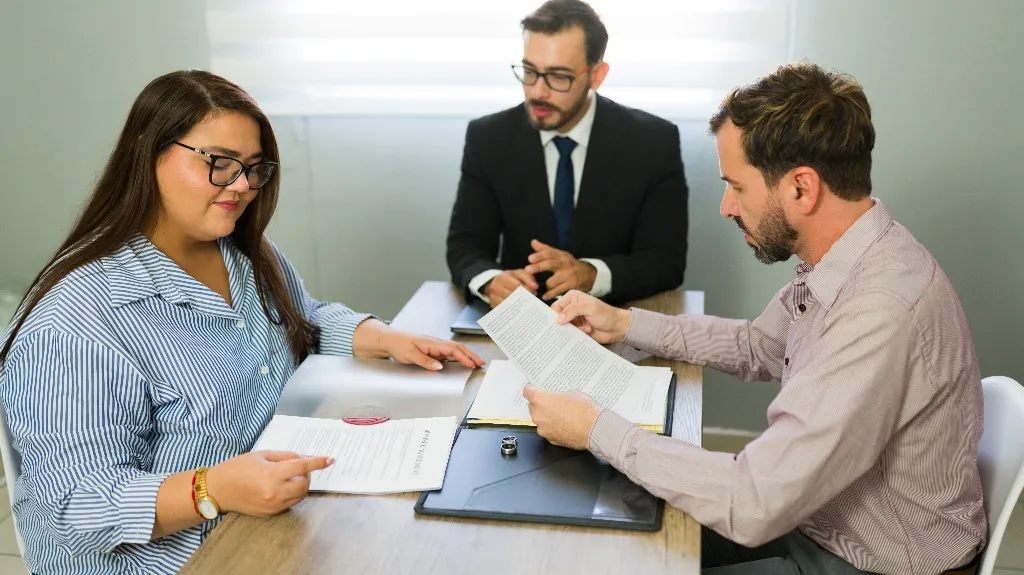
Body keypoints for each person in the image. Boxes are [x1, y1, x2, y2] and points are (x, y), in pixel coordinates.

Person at [0, 70, 483, 575]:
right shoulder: (75, 322)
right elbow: (79, 506)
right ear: (147, 152)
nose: (242, 186)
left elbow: (304, 319)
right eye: (219, 163)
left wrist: (383, 338)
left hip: (271, 514)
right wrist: (214, 488)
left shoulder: (243, 252)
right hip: (181, 556)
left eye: (254, 168)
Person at [524, 62, 986, 575]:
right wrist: (624, 323)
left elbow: (753, 502)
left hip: (871, 560)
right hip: (819, 520)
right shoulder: (848, 259)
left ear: (801, 188)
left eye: (736, 186)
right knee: (619, 534)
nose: (726, 206)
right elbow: (756, 346)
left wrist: (595, 429)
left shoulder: (879, 310)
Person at [445, 0, 689, 308]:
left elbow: (666, 262)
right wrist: (490, 281)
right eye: (529, 71)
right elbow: (465, 247)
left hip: (616, 317)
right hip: (521, 322)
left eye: (558, 76)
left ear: (597, 75)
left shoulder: (653, 142)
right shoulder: (489, 137)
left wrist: (591, 275)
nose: (537, 92)